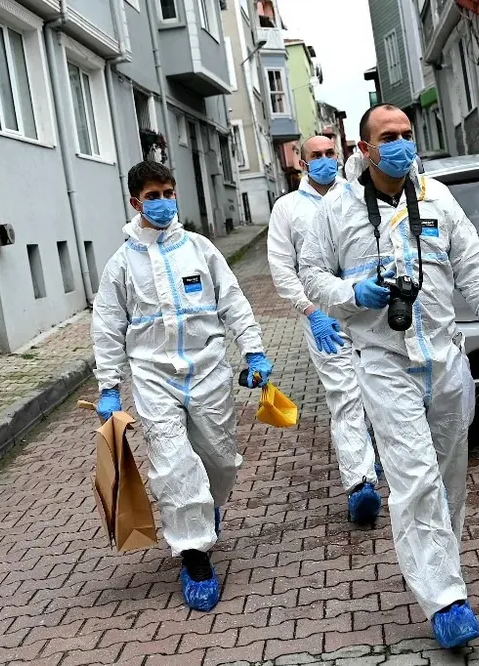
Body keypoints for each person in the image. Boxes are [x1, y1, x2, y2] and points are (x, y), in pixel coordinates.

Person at [299, 104, 479, 649]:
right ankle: (446, 599)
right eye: (389, 137)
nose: (402, 144)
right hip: (383, 363)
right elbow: (310, 274)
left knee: (450, 480)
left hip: (446, 359)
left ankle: (439, 566)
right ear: (366, 149)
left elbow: (474, 273)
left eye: (407, 134)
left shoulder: (438, 199)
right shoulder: (336, 212)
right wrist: (348, 294)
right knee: (415, 480)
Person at [92, 161, 274, 613]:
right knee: (174, 464)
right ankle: (194, 556)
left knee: (219, 457)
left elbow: (232, 300)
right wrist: (109, 386)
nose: (162, 202)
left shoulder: (200, 249)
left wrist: (253, 352)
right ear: (135, 202)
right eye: (152, 195)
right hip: (154, 376)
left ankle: (208, 507)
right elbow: (108, 326)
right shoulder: (121, 264)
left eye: (168, 192)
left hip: (209, 369)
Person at [266, 135, 382, 524]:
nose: (324, 160)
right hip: (323, 317)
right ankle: (361, 483)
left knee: (377, 386)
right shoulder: (288, 208)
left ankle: (377, 456)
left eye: (330, 153)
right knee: (344, 394)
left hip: (366, 308)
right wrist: (312, 311)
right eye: (315, 155)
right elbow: (283, 268)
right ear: (301, 162)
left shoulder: (355, 195)